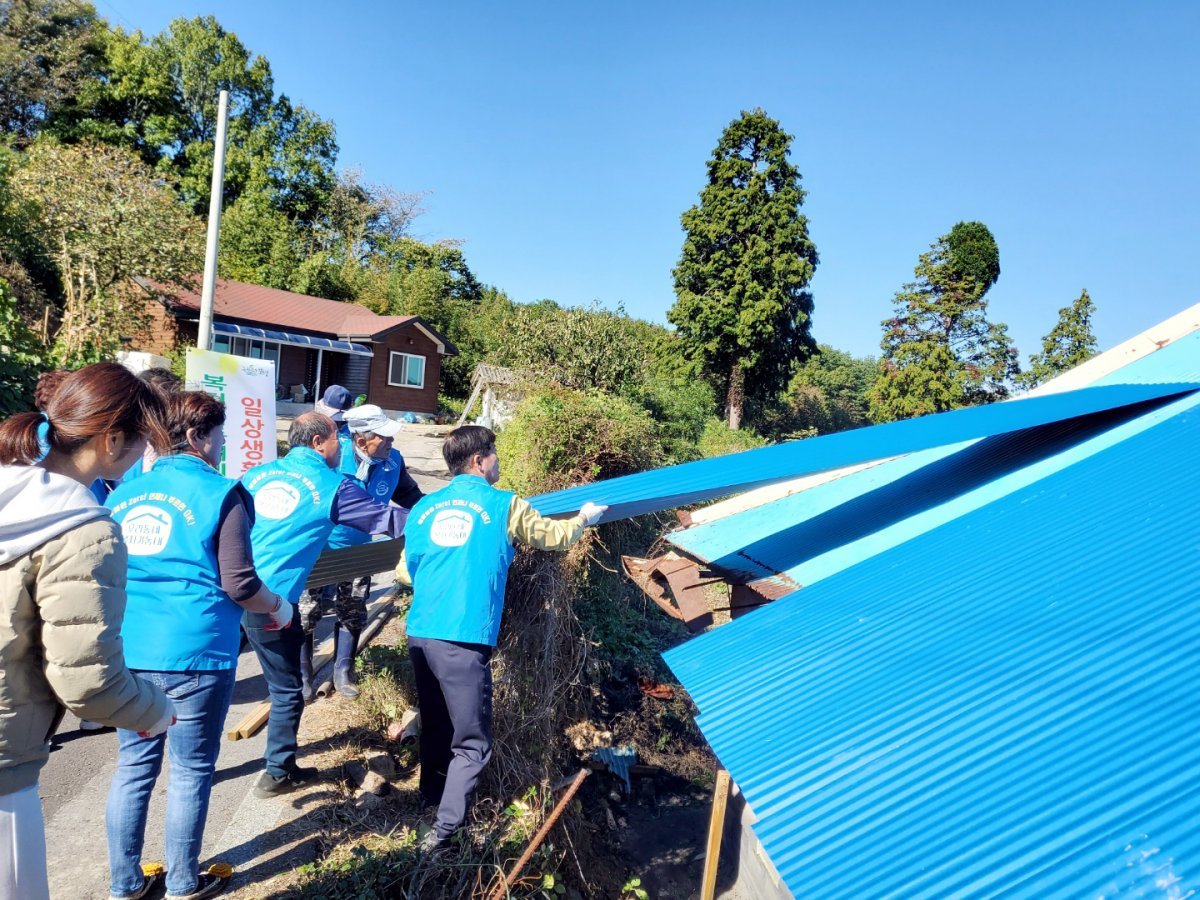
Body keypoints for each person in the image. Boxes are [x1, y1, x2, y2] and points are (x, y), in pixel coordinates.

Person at [105, 391, 293, 900]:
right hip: (197, 651)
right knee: (190, 770)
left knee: (133, 767)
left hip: (132, 649)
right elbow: (241, 584)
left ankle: (124, 885)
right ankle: (183, 882)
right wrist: (279, 608)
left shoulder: (122, 494)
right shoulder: (222, 493)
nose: (222, 445)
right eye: (219, 435)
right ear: (196, 436)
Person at [0, 363, 174, 900]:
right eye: (143, 437)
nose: (144, 450)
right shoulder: (83, 527)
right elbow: (87, 680)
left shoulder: (11, 490)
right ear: (112, 438)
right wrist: (154, 710)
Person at [396, 425, 607, 852]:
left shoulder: (423, 508)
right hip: (463, 637)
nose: (498, 461)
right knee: (472, 742)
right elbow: (553, 538)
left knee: (435, 721)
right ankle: (442, 835)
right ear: (479, 460)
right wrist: (584, 517)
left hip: (420, 633)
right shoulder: (505, 504)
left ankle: (431, 798)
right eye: (494, 453)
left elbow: (404, 571)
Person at [241, 412, 408, 798]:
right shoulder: (332, 486)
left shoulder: (255, 475)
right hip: (269, 601)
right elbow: (387, 520)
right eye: (337, 438)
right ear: (318, 443)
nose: (342, 445)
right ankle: (277, 774)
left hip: (228, 590)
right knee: (285, 692)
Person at [298, 404, 423, 700]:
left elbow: (409, 496)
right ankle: (302, 675)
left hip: (359, 551)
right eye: (385, 437)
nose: (391, 443)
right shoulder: (331, 458)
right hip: (320, 549)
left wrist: (436, 511)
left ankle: (343, 670)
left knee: (352, 609)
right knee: (307, 612)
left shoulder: (393, 461)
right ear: (361, 440)